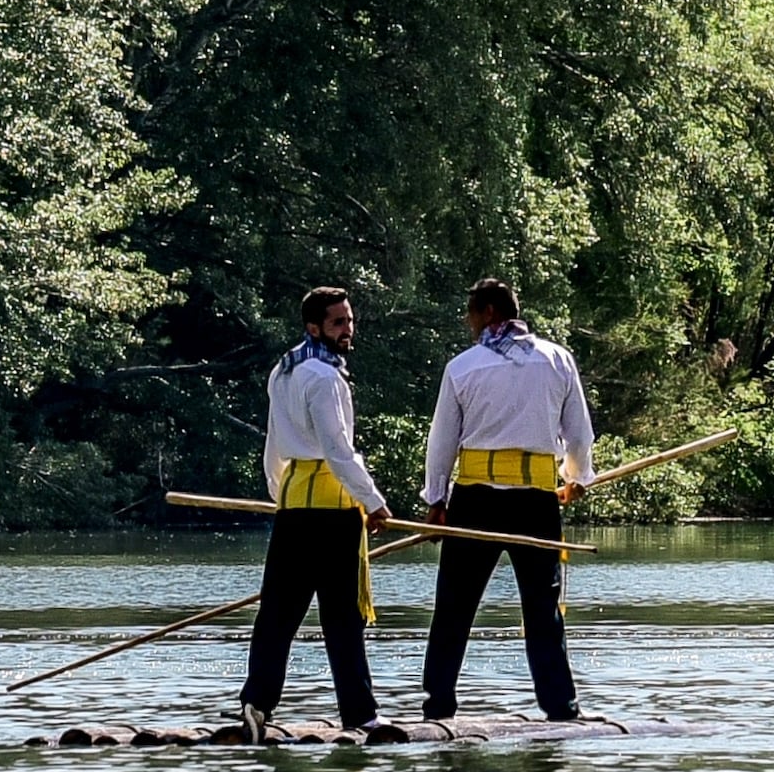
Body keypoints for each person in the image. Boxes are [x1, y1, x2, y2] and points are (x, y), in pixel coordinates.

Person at [417, 277, 593, 723]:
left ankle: (438, 705)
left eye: (472, 314)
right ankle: (560, 707)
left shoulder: (463, 367)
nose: (468, 323)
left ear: (489, 313)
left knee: (454, 606)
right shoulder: (558, 360)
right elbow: (579, 433)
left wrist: (436, 499)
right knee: (542, 609)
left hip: (476, 501)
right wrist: (576, 478)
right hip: (535, 501)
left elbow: (442, 442)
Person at [236, 285, 388, 739]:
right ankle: (360, 715)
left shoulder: (283, 371)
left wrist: (279, 494)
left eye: (349, 320)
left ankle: (257, 703)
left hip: (294, 508)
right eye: (338, 322)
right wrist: (373, 502)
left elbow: (273, 449)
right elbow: (338, 451)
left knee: (277, 615)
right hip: (331, 510)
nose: (347, 329)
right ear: (314, 327)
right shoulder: (323, 378)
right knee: (342, 618)